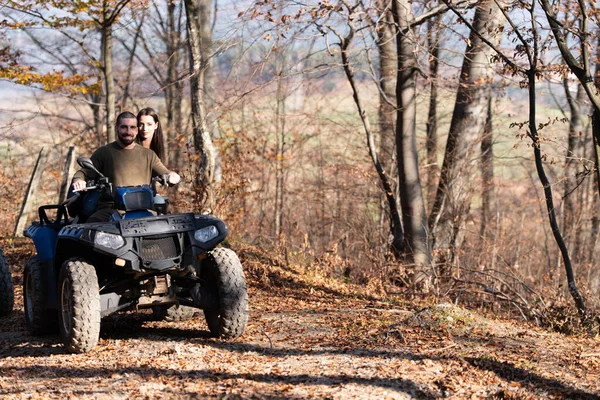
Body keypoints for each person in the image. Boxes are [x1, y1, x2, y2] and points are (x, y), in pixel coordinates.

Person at [64, 111, 180, 222]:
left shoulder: (148, 155)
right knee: (93, 228)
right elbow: (83, 172)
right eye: (124, 127)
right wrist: (79, 180)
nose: (128, 131)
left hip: (142, 209)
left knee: (164, 226)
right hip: (111, 210)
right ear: (116, 128)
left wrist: (172, 176)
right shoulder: (104, 152)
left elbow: (164, 171)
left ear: (137, 129)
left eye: (132, 127)